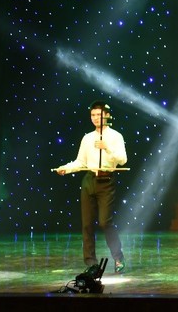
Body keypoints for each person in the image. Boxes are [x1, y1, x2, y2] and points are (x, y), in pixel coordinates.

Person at [56, 100, 128, 274]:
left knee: (105, 222)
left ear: (107, 116)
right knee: (87, 224)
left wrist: (107, 148)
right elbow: (80, 162)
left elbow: (123, 160)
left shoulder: (115, 136)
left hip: (106, 181)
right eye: (93, 115)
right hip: (89, 180)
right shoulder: (87, 138)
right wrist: (66, 168)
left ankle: (118, 257)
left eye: (99, 115)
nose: (96, 118)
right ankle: (91, 263)